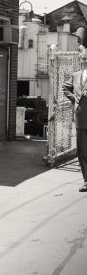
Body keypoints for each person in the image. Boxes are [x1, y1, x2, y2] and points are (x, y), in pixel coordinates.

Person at [61, 47, 87, 193]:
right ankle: (86, 180)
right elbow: (65, 88)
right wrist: (75, 100)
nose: (85, 61)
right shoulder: (76, 75)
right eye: (83, 58)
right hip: (81, 117)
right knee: (83, 151)